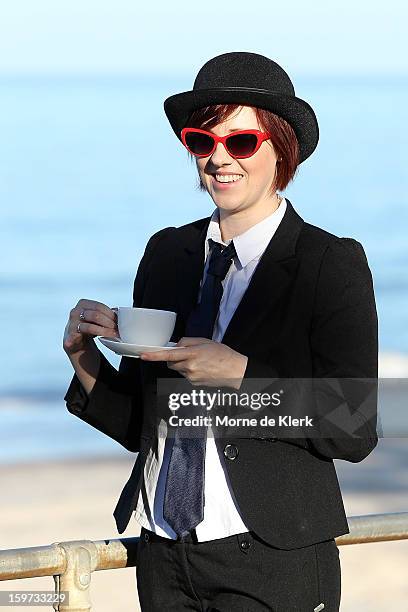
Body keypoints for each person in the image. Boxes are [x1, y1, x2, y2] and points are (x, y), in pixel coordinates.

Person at [63, 52, 379, 612]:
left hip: (272, 556)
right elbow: (147, 426)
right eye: (203, 142)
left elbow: (354, 426)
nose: (218, 160)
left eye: (240, 142)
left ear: (282, 148)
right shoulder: (168, 254)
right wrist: (85, 361)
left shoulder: (328, 263)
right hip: (162, 553)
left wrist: (240, 374)